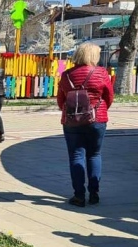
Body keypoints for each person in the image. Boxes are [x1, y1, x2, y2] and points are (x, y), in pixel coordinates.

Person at [56, 43, 114, 207]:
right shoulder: (102, 73)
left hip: (72, 121)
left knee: (76, 156)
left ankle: (79, 196)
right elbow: (109, 97)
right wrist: (100, 110)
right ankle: (94, 193)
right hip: (97, 119)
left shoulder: (66, 75)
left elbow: (61, 100)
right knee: (95, 154)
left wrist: (72, 113)